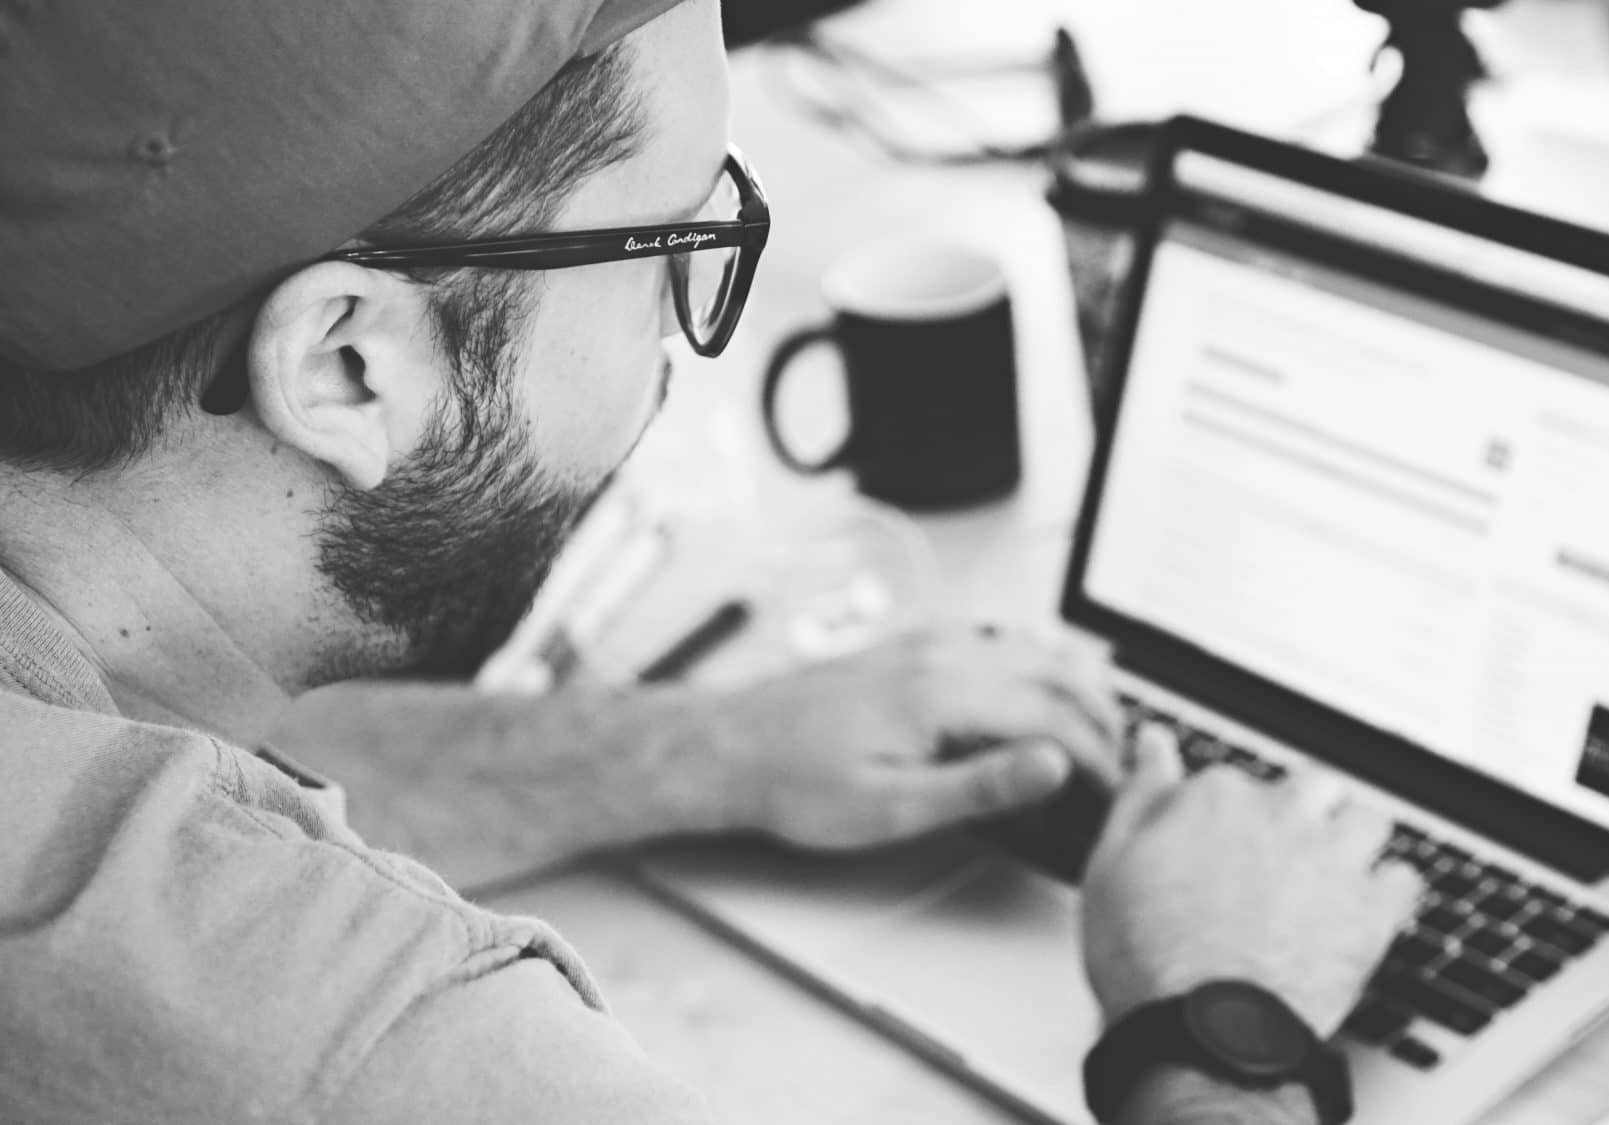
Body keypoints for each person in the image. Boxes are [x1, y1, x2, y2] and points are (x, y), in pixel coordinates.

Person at [0, 1, 1424, 1122]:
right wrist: (1219, 1025)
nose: (679, 342)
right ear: (350, 365)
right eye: (678, 240)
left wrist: (699, 751)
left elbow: (193, 753)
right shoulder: (356, 1043)